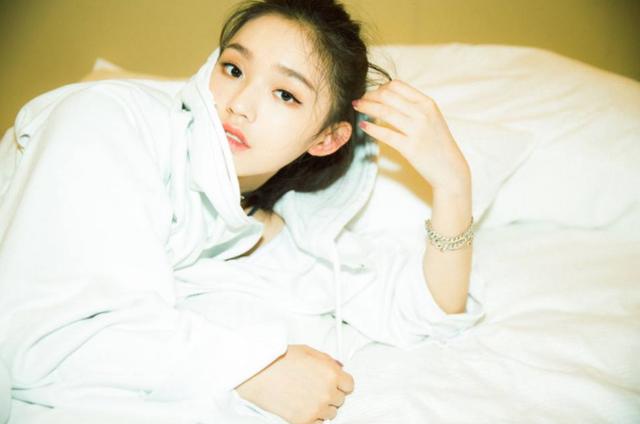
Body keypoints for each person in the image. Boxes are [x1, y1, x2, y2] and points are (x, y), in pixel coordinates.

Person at [0, 0, 485, 423]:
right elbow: (48, 337)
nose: (239, 104)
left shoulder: (276, 235)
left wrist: (453, 185)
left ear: (327, 139)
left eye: (285, 94)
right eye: (233, 69)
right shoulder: (107, 121)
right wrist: (254, 368)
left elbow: (429, 311)